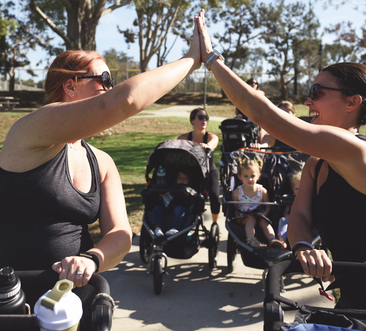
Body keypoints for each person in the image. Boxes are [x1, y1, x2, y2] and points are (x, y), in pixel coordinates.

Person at [196, 8, 366, 311]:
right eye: (309, 91)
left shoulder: (360, 151)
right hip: (357, 297)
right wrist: (303, 245)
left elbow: (264, 114)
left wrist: (211, 58)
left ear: (352, 102)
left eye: (317, 92)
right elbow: (299, 219)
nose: (308, 100)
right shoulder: (316, 164)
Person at [0, 18, 201, 287]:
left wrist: (92, 258)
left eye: (112, 81)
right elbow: (123, 101)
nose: (109, 88)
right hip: (14, 298)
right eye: (104, 80)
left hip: (71, 297)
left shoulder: (102, 162)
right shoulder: (31, 130)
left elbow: (120, 233)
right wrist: (191, 59)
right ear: (70, 86)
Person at [178, 108, 220, 223]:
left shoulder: (212, 137)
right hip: (192, 171)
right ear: (192, 120)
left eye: (206, 118)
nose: (204, 120)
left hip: (209, 169)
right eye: (201, 117)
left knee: (215, 196)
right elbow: (178, 145)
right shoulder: (184, 138)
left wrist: (206, 146)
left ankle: (215, 223)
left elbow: (212, 144)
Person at [232, 156, 284, 249]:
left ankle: (272, 239)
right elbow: (236, 208)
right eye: (246, 176)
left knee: (264, 222)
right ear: (240, 176)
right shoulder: (237, 192)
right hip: (244, 216)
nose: (250, 179)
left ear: (258, 176)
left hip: (260, 214)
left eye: (252, 176)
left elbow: (268, 206)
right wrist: (237, 217)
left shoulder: (262, 191)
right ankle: (252, 240)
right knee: (251, 219)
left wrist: (264, 214)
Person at [152, 170, 195, 237]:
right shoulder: (172, 187)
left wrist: (187, 195)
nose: (182, 180)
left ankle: (174, 228)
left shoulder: (190, 191)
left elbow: (191, 202)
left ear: (190, 181)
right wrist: (162, 196)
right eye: (180, 178)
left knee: (180, 209)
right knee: (157, 208)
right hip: (168, 207)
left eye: (185, 178)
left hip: (180, 209)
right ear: (176, 179)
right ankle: (157, 228)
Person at [277, 168, 302, 245]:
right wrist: (291, 216)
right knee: (283, 220)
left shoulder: (308, 200)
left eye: (301, 188)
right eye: (296, 189)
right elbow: (285, 214)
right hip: (291, 220)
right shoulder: (290, 200)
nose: (299, 191)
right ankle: (282, 240)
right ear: (292, 189)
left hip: (303, 221)